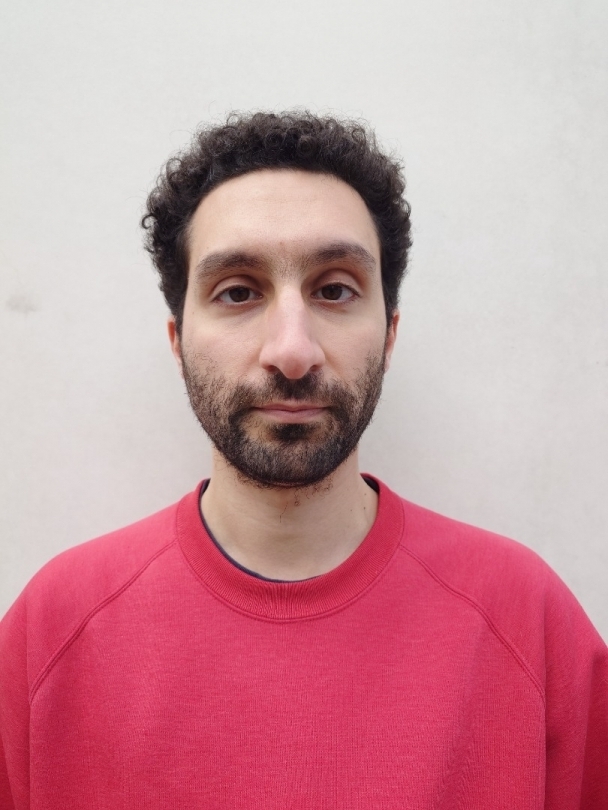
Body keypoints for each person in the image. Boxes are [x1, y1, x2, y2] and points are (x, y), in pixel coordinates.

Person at [0, 112, 606, 810]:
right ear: (178, 340)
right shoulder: (52, 631)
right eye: (238, 291)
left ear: (389, 335)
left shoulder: (529, 623)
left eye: (334, 289)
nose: (292, 350)